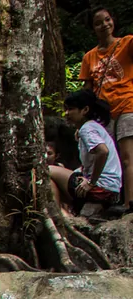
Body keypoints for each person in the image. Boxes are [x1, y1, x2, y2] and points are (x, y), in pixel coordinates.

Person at [81, 7, 133, 210]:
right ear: (93, 28)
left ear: (113, 21)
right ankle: (111, 198)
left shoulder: (127, 43)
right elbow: (88, 91)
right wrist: (85, 120)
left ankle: (129, 204)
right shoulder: (89, 57)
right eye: (98, 22)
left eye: (107, 19)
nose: (105, 25)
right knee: (110, 157)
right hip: (104, 113)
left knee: (128, 157)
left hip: (128, 104)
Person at [51, 91, 123, 216]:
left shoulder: (87, 129)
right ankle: (67, 214)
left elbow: (103, 151)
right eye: (66, 109)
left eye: (71, 109)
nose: (66, 113)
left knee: (47, 171)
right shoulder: (92, 127)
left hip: (100, 187)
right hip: (111, 188)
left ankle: (59, 217)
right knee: (55, 182)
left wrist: (91, 183)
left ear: (85, 110)